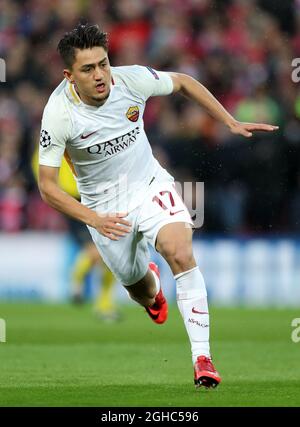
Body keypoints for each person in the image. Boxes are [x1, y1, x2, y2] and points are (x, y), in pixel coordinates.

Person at [38, 23, 278, 389]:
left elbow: (182, 81)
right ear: (69, 75)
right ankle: (151, 289)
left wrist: (227, 120)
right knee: (142, 291)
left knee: (179, 251)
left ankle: (203, 358)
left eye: (103, 64)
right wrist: (95, 219)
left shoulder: (131, 80)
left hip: (149, 185)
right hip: (104, 208)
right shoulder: (59, 113)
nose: (101, 75)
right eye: (88, 69)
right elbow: (47, 186)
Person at [32, 147, 120, 321]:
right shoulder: (53, 143)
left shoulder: (86, 140)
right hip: (73, 200)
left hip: (98, 198)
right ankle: (77, 280)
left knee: (112, 252)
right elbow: (41, 173)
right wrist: (58, 192)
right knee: (96, 251)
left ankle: (104, 305)